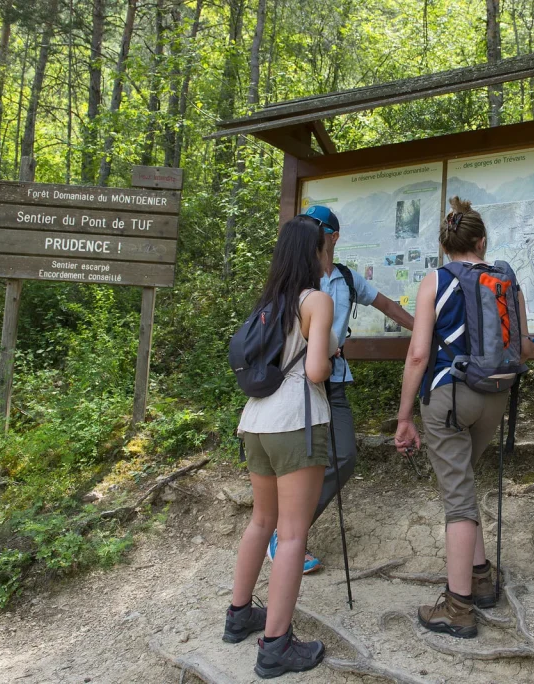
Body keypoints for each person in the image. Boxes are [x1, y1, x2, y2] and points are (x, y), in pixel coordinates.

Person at [394, 197, 533, 638]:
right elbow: (525, 346)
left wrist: (403, 416)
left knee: (457, 500)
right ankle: (481, 578)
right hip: (495, 397)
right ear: (481, 241)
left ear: (446, 245)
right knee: (465, 486)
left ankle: (457, 609)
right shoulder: (507, 281)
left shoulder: (435, 280)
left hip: (449, 399)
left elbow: (418, 353)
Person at [265, 205, 415, 573]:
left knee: (343, 457)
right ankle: (287, 538)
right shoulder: (298, 278)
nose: (314, 234)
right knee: (302, 461)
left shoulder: (347, 279)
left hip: (333, 382)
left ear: (333, 235)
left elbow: (386, 305)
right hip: (297, 385)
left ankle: (287, 529)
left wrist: (425, 330)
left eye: (320, 229)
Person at [224, 215, 337, 678]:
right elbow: (314, 372)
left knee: (261, 522)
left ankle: (239, 617)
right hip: (297, 421)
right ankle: (275, 646)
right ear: (314, 252)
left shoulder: (267, 303)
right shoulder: (317, 300)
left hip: (255, 421)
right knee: (291, 534)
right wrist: (329, 354)